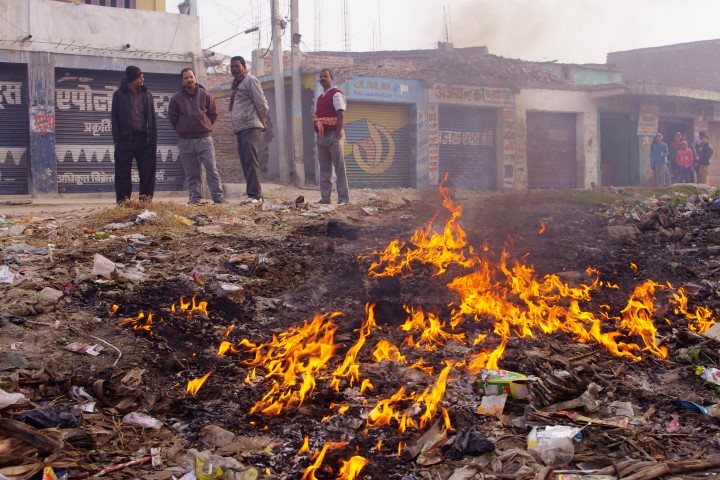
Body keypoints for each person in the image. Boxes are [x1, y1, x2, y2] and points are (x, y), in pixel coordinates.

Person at [169, 67, 225, 204]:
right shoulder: (176, 99)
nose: (189, 80)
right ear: (182, 81)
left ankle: (218, 198)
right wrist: (182, 128)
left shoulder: (205, 95)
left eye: (191, 77)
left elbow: (213, 113)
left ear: (195, 78)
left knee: (211, 169)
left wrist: (205, 125)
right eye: (186, 78)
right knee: (192, 172)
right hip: (186, 141)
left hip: (204, 139)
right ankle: (195, 198)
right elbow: (173, 117)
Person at [111, 65, 157, 203]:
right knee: (122, 174)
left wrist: (153, 140)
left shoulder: (147, 94)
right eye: (140, 76)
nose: (143, 78)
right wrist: (117, 140)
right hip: (126, 139)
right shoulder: (119, 95)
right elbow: (114, 118)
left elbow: (152, 119)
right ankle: (123, 204)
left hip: (145, 140)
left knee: (148, 173)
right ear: (132, 78)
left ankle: (145, 204)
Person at [229, 56, 268, 204]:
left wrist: (262, 121)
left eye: (237, 66)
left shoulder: (250, 80)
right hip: (240, 128)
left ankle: (256, 196)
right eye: (231, 67)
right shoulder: (237, 84)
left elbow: (262, 104)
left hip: (250, 126)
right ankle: (252, 194)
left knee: (251, 161)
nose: (234, 69)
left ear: (244, 67)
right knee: (246, 162)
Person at [312, 68, 349, 205]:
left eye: (325, 76)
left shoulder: (336, 94)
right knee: (324, 169)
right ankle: (325, 198)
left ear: (331, 78)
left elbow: (340, 114)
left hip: (334, 134)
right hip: (322, 136)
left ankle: (343, 199)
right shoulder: (320, 98)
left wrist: (338, 134)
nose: (322, 79)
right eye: (321, 77)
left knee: (339, 168)